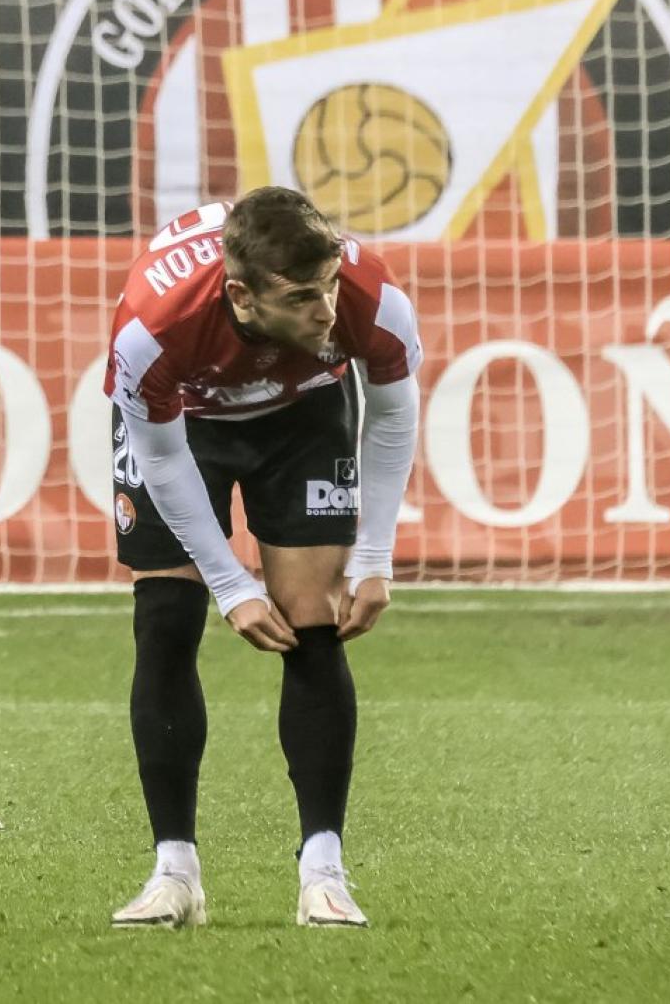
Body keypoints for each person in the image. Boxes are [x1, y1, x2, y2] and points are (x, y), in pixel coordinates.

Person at [103, 188, 420, 928]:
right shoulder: (153, 328)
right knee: (165, 619)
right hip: (187, 423)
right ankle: (173, 872)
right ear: (241, 297)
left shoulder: (371, 298)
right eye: (305, 296)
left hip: (302, 412)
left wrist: (375, 556)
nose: (327, 309)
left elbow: (394, 416)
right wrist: (228, 582)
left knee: (314, 616)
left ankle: (325, 872)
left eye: (331, 286)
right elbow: (161, 455)